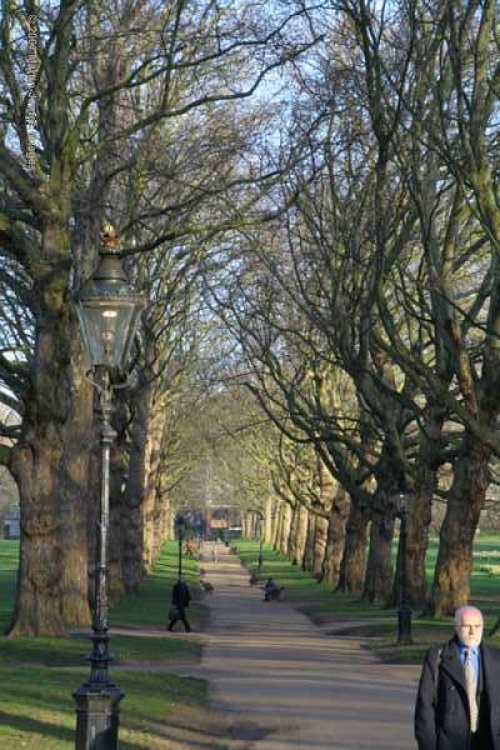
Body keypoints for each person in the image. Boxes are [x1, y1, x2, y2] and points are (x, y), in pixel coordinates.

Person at [415, 604, 500, 750]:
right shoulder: (437, 657)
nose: (473, 632)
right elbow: (425, 707)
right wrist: (428, 745)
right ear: (456, 627)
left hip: (488, 740)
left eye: (477, 626)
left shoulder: (495, 658)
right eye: (467, 626)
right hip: (450, 741)